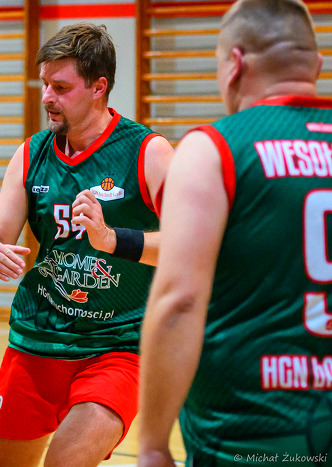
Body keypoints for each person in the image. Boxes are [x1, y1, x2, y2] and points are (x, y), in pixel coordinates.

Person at [138, 0, 332, 465]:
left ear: (235, 64)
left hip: (248, 436)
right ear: (316, 64)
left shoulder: (215, 149)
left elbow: (180, 300)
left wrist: (152, 443)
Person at [0, 23, 174, 466]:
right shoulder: (32, 153)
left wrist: (112, 239)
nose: (47, 97)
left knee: (65, 460)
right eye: (44, 84)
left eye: (61, 87)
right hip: (36, 339)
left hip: (116, 345)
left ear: (99, 87)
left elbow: (190, 243)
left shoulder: (149, 152)